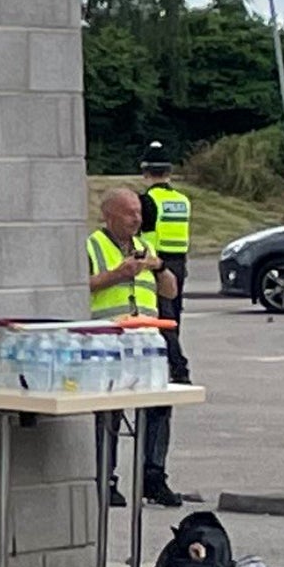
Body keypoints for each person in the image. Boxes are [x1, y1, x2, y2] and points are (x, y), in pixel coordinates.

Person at [86, 183, 185, 511]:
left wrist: (158, 267)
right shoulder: (92, 245)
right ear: (109, 214)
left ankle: (153, 476)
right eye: (129, 213)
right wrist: (117, 274)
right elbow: (78, 286)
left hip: (148, 343)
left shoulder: (144, 246)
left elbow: (169, 292)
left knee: (159, 407)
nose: (136, 219)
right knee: (109, 413)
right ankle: (105, 478)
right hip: (109, 342)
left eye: (139, 213)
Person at [141, 142, 197, 411]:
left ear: (146, 172)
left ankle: (178, 367)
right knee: (174, 316)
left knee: (163, 318)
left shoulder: (148, 201)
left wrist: (148, 265)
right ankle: (173, 364)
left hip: (160, 264)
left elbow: (146, 240)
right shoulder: (182, 200)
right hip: (180, 263)